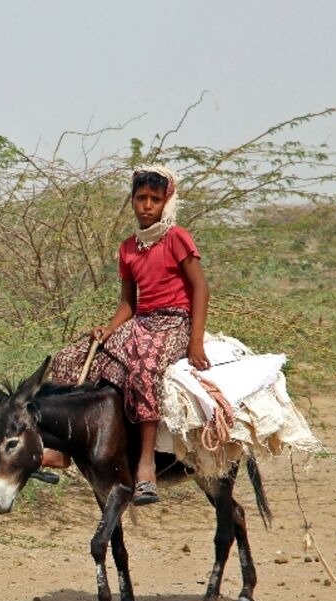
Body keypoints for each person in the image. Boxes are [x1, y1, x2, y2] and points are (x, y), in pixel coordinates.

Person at [43, 165, 210, 505]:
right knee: (67, 358)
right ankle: (61, 451)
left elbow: (200, 288)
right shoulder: (128, 248)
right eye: (140, 198)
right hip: (141, 322)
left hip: (174, 322)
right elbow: (127, 304)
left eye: (155, 199)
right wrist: (108, 329)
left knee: (144, 367)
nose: (147, 206)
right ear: (132, 201)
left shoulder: (177, 237)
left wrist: (195, 341)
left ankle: (146, 467)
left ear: (167, 202)